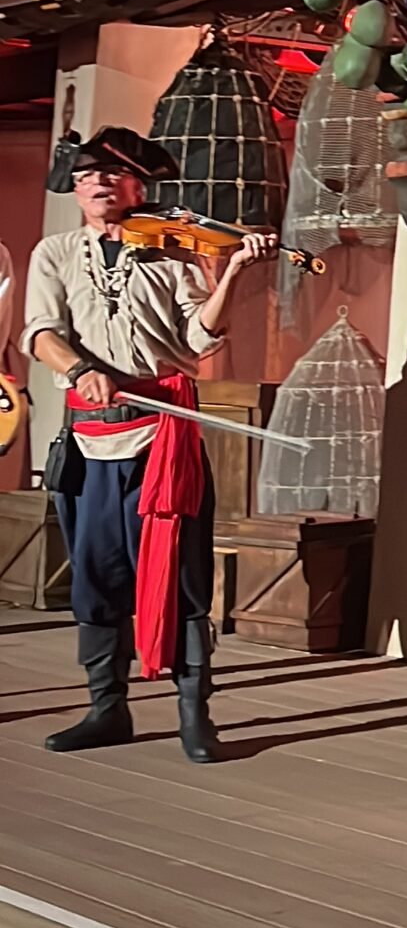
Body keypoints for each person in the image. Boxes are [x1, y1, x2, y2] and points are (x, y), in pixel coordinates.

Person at [22, 126, 277, 763]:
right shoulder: (55, 252)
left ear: (140, 185)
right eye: (86, 174)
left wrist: (234, 274)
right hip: (91, 436)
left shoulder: (174, 253)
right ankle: (108, 709)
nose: (99, 182)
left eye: (113, 173)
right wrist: (82, 370)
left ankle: (196, 717)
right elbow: (42, 332)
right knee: (95, 576)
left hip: (163, 437)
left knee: (183, 577)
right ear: (75, 189)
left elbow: (197, 338)